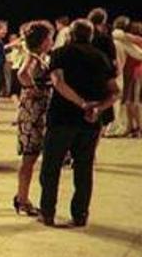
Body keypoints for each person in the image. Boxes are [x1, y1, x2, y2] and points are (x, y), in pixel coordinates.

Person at [37, 18, 117, 227]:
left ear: (71, 35)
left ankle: (47, 212)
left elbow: (58, 82)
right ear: (91, 36)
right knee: (84, 169)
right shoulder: (102, 58)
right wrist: (97, 108)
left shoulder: (60, 54)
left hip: (62, 118)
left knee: (51, 167)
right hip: (90, 123)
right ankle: (80, 214)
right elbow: (115, 91)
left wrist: (81, 104)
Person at [13, 21, 54, 216]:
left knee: (31, 156)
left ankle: (22, 197)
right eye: (49, 37)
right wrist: (34, 90)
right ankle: (22, 199)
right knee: (30, 157)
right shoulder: (35, 57)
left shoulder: (39, 56)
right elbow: (22, 74)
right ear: (42, 40)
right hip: (33, 112)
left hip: (35, 110)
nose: (52, 41)